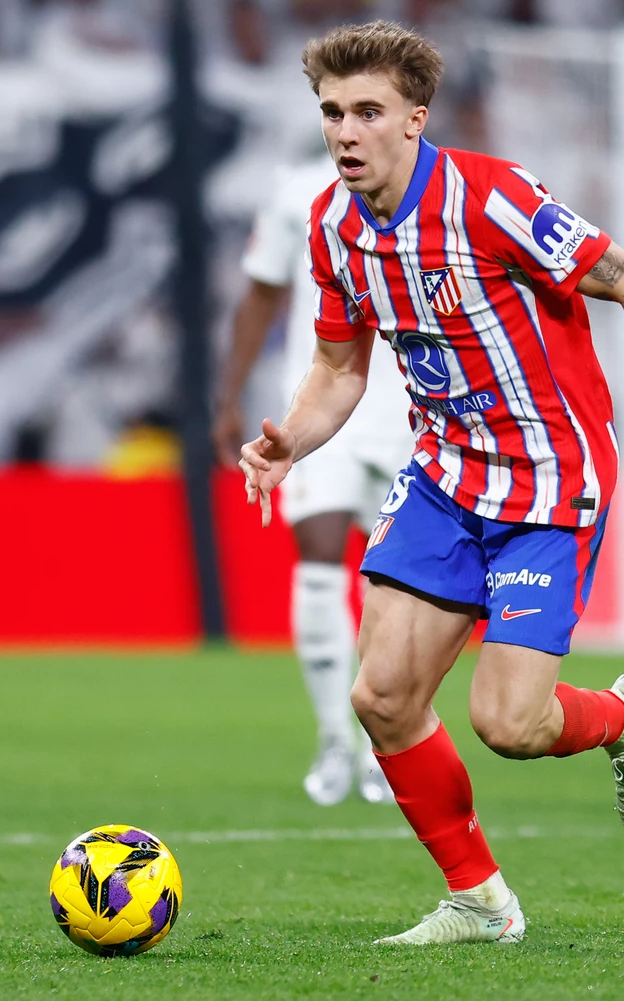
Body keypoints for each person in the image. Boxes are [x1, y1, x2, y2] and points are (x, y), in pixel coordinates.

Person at [238, 22, 624, 946]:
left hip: (550, 478)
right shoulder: (332, 225)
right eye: (330, 114)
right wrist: (292, 442)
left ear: (414, 120)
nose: (345, 133)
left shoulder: (494, 199)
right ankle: (480, 901)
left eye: (368, 112)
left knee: (509, 724)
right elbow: (339, 369)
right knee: (382, 697)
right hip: (444, 474)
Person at [217, 156, 409, 807]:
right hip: (321, 404)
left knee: (397, 581)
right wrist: (229, 396)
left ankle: (388, 741)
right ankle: (333, 737)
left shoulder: (437, 190)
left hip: (415, 411)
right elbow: (261, 292)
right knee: (320, 559)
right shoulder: (297, 191)